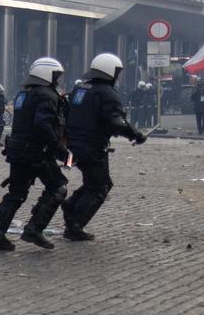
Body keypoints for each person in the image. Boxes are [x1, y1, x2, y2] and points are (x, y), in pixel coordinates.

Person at [0, 56, 68, 252]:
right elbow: (42, 124)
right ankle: (34, 229)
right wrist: (57, 147)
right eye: (56, 75)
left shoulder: (24, 94)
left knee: (16, 193)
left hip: (18, 150)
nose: (58, 79)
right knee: (58, 188)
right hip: (37, 152)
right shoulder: (47, 95)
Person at [61, 52, 146, 242]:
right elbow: (116, 123)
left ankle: (71, 206)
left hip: (75, 143)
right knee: (101, 185)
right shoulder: (106, 92)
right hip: (93, 145)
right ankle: (75, 224)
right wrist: (136, 135)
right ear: (110, 71)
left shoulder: (81, 88)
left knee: (93, 182)